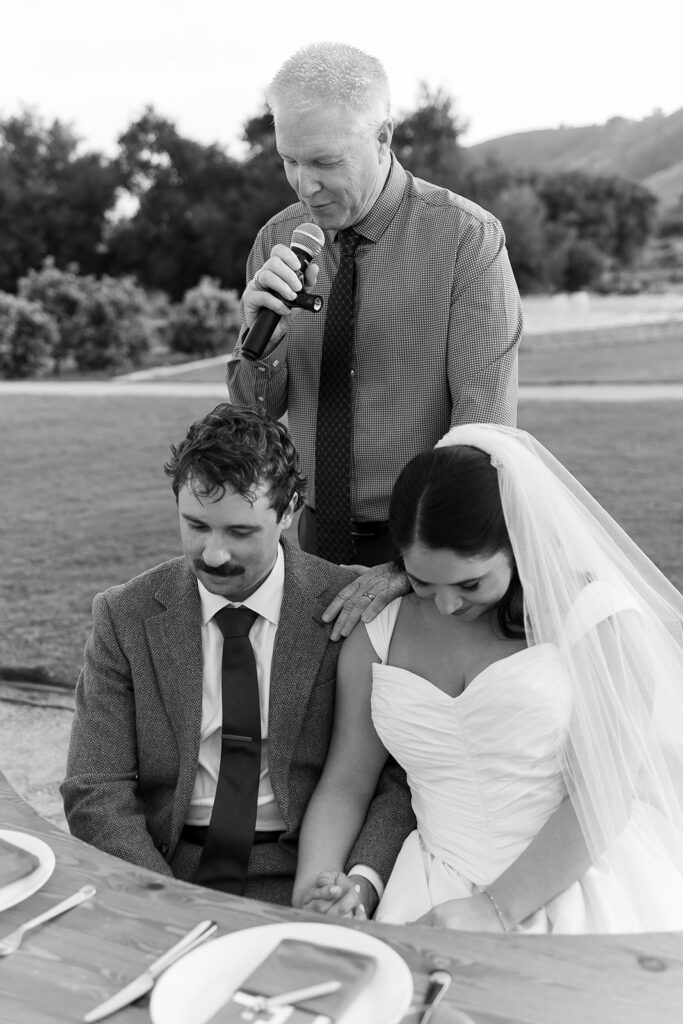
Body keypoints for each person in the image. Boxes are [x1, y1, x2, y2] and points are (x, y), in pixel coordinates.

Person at [292, 424, 683, 932]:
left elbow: (602, 798)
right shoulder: (378, 634)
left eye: (470, 583)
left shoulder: (597, 622)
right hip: (429, 883)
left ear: (517, 543)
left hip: (576, 876)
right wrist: (317, 884)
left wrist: (493, 909)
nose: (448, 604)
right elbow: (346, 781)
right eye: (422, 581)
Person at [61, 405, 413, 908]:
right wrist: (163, 897)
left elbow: (399, 778)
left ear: (289, 510)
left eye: (240, 532)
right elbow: (94, 787)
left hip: (309, 869)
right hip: (163, 867)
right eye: (196, 525)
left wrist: (356, 881)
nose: (214, 554)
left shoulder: (353, 605)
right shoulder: (126, 615)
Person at [227, 41, 523, 569]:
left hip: (430, 547)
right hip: (308, 542)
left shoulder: (466, 240)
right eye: (289, 160)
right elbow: (254, 413)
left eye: (324, 161)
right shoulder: (278, 237)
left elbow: (485, 437)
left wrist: (409, 569)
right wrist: (261, 345)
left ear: (383, 136)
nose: (304, 184)